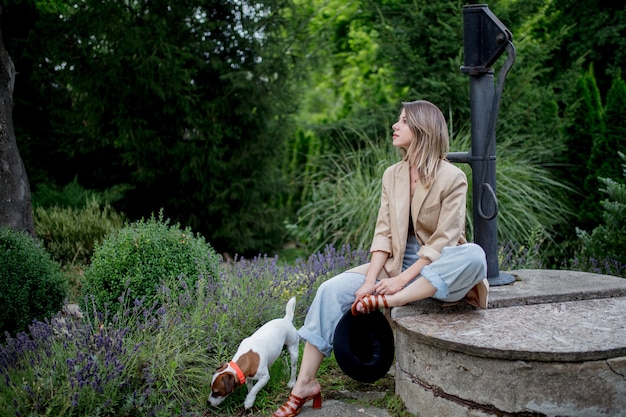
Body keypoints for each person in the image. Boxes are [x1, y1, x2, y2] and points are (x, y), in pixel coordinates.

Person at [271, 100, 488, 417]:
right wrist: (371, 283)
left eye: (402, 121)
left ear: (423, 130)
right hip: (395, 263)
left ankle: (392, 300)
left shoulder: (453, 177)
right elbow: (383, 234)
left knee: (475, 255)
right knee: (330, 290)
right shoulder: (393, 175)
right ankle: (304, 385)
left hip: (439, 269)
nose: (394, 126)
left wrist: (397, 285)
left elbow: (444, 240)